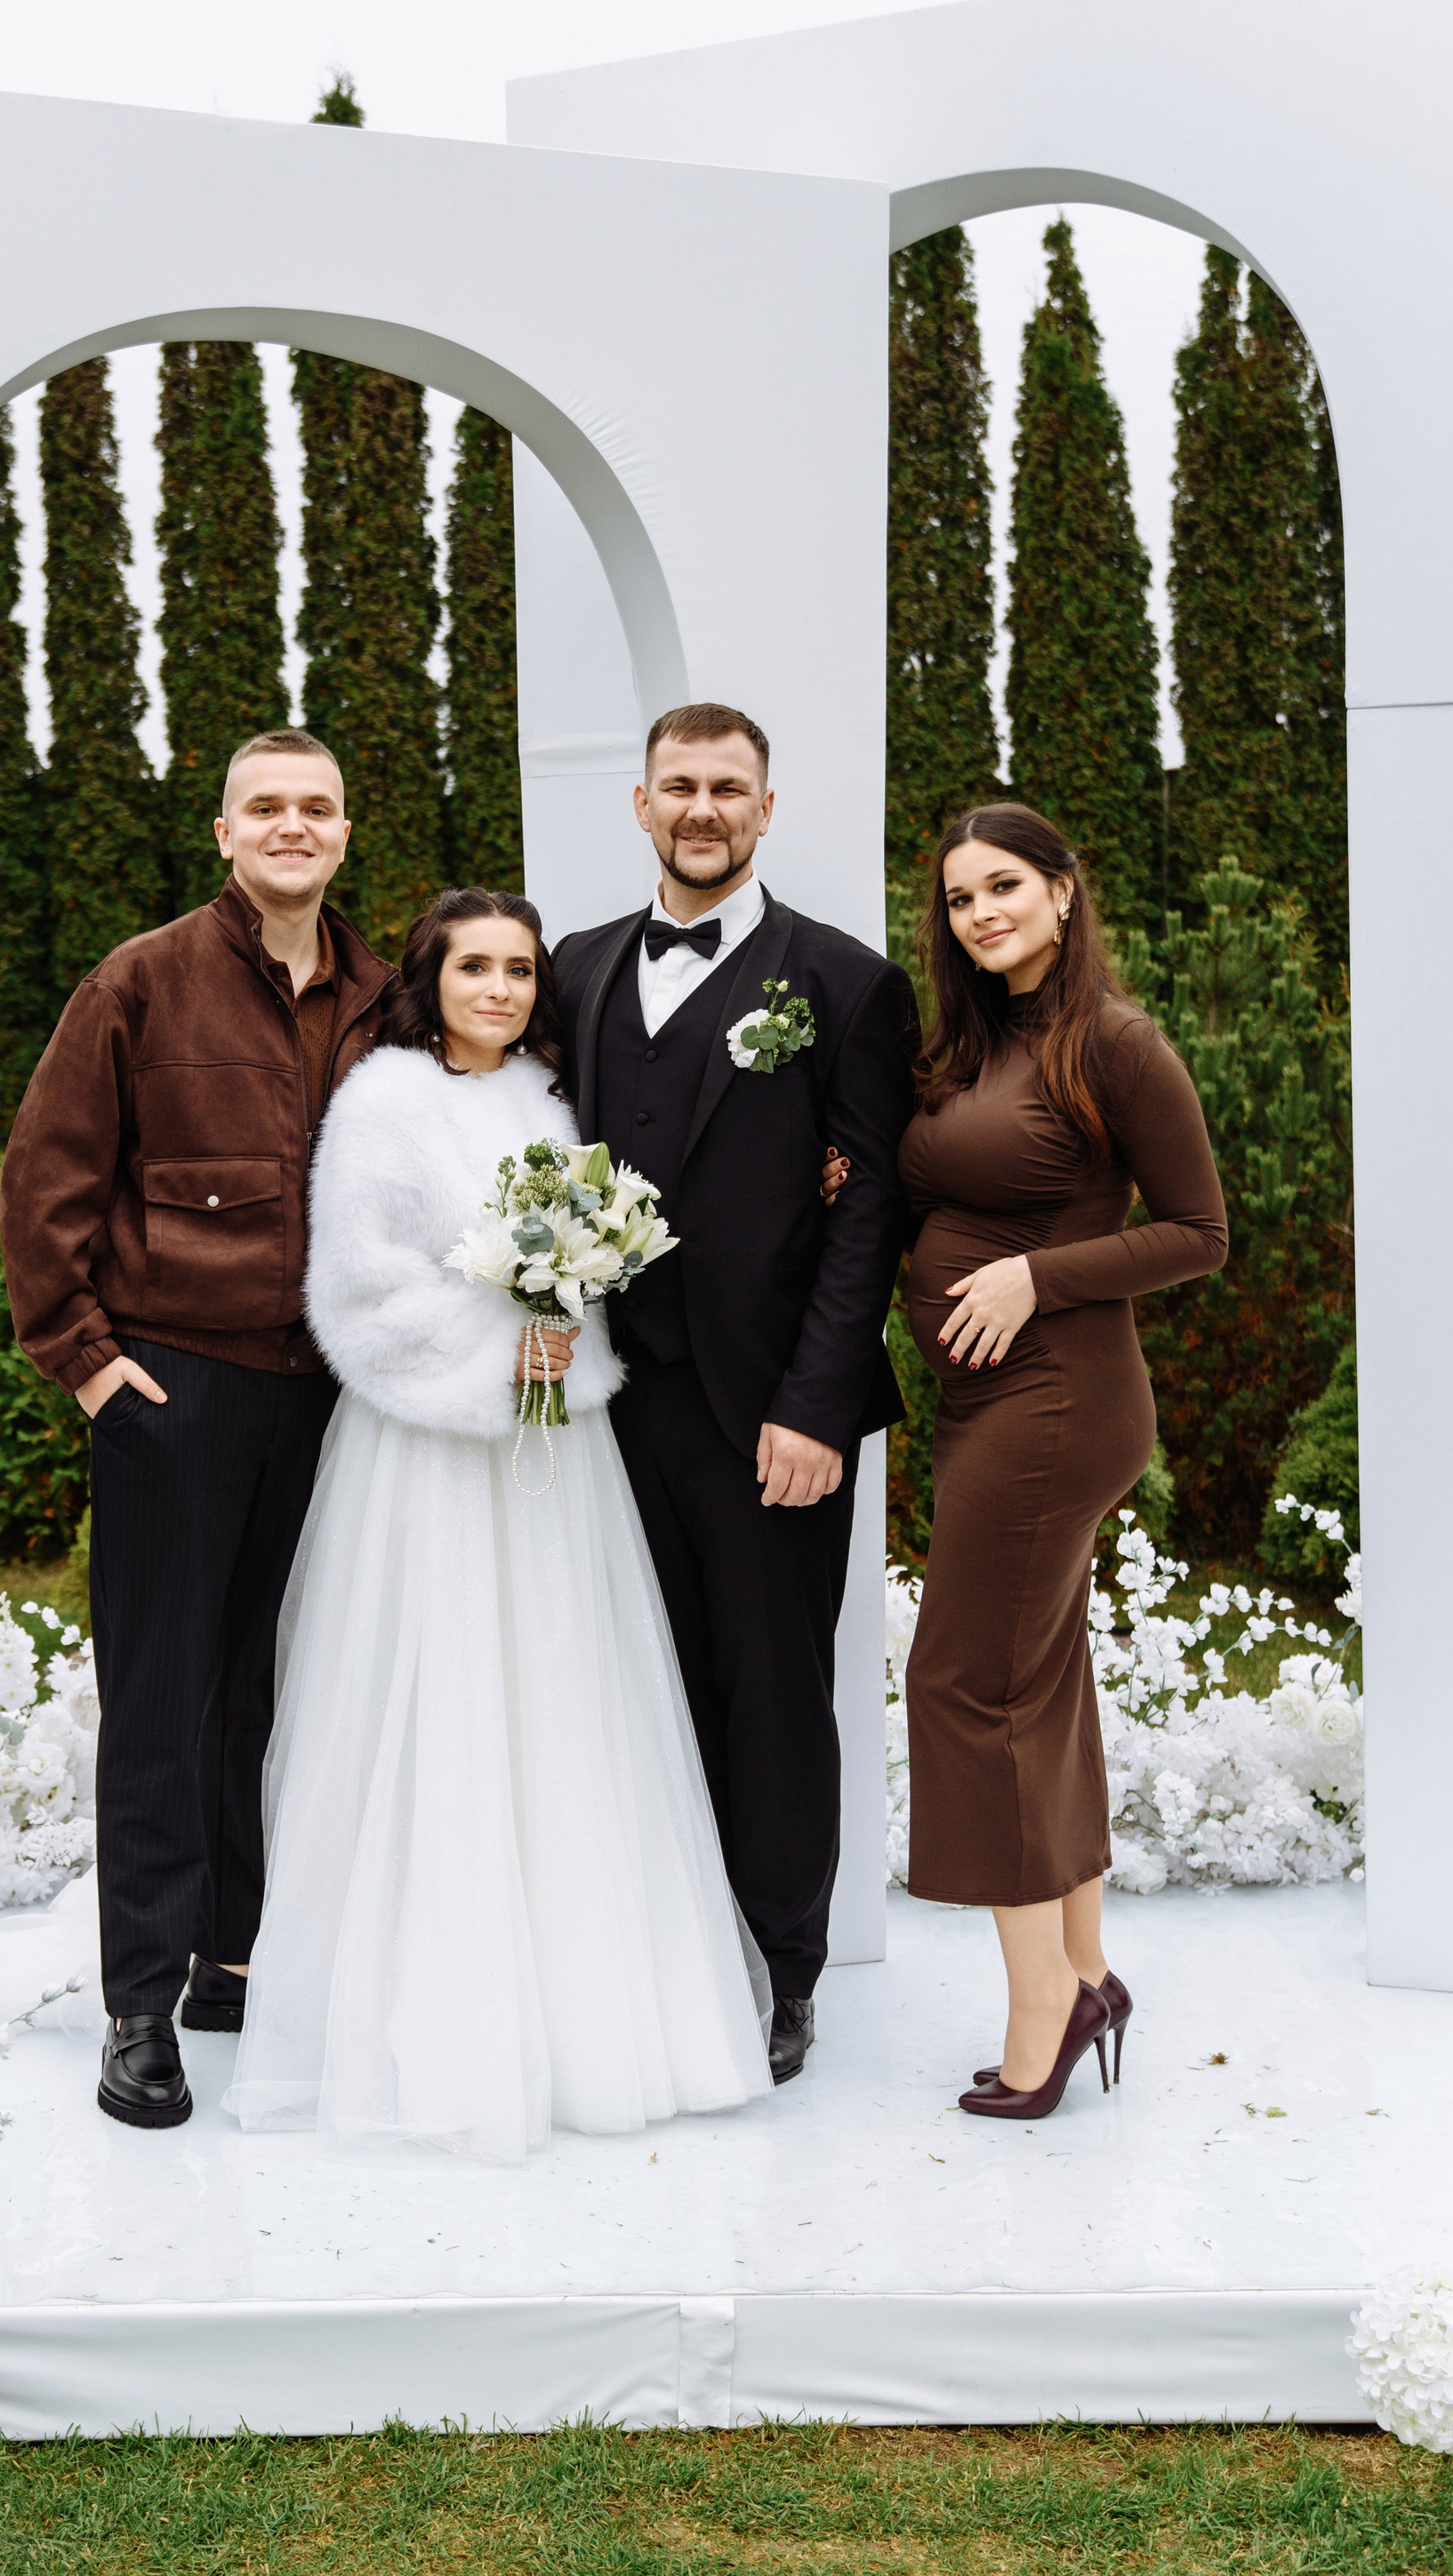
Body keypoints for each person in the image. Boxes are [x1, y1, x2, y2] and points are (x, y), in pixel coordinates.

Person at [224, 888, 772, 2160]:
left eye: (520, 970)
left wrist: (565, 1324)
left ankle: (585, 2012)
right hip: (426, 1456)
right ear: (430, 978)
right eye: (474, 966)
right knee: (441, 1698)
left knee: (561, 1698)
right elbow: (357, 1288)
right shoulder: (382, 1102)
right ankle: (437, 2017)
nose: (500, 989)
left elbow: (587, 1260)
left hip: (551, 1453)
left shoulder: (546, 1100)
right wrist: (499, 1339)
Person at [0, 729, 396, 2131]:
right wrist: (90, 1366)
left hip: (332, 1395)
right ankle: (139, 2006)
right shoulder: (141, 980)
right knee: (164, 1699)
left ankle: (235, 1960)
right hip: (177, 1383)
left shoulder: (386, 995)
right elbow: (46, 1180)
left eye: (316, 807)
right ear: (223, 832)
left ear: (344, 830)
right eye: (264, 807)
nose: (293, 826)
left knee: (275, 1689)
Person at [550, 703, 920, 2084]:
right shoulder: (575, 968)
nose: (702, 808)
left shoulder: (845, 983)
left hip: (771, 1414)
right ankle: (661, 1951)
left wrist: (818, 1406)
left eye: (728, 787)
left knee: (771, 1695)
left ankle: (782, 1966)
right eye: (679, 785)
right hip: (608, 1407)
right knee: (632, 1683)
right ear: (641, 804)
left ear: (765, 809)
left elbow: (867, 1212)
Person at [898, 803, 1227, 2120]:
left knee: (963, 1682)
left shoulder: (1116, 1044)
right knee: (1037, 1683)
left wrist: (1038, 1275)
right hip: (989, 1404)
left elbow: (1199, 1232)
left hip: (1059, 1399)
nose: (982, 913)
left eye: (1005, 887)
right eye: (960, 897)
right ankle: (1086, 1968)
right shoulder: (975, 1043)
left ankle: (1045, 2004)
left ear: (1063, 890)